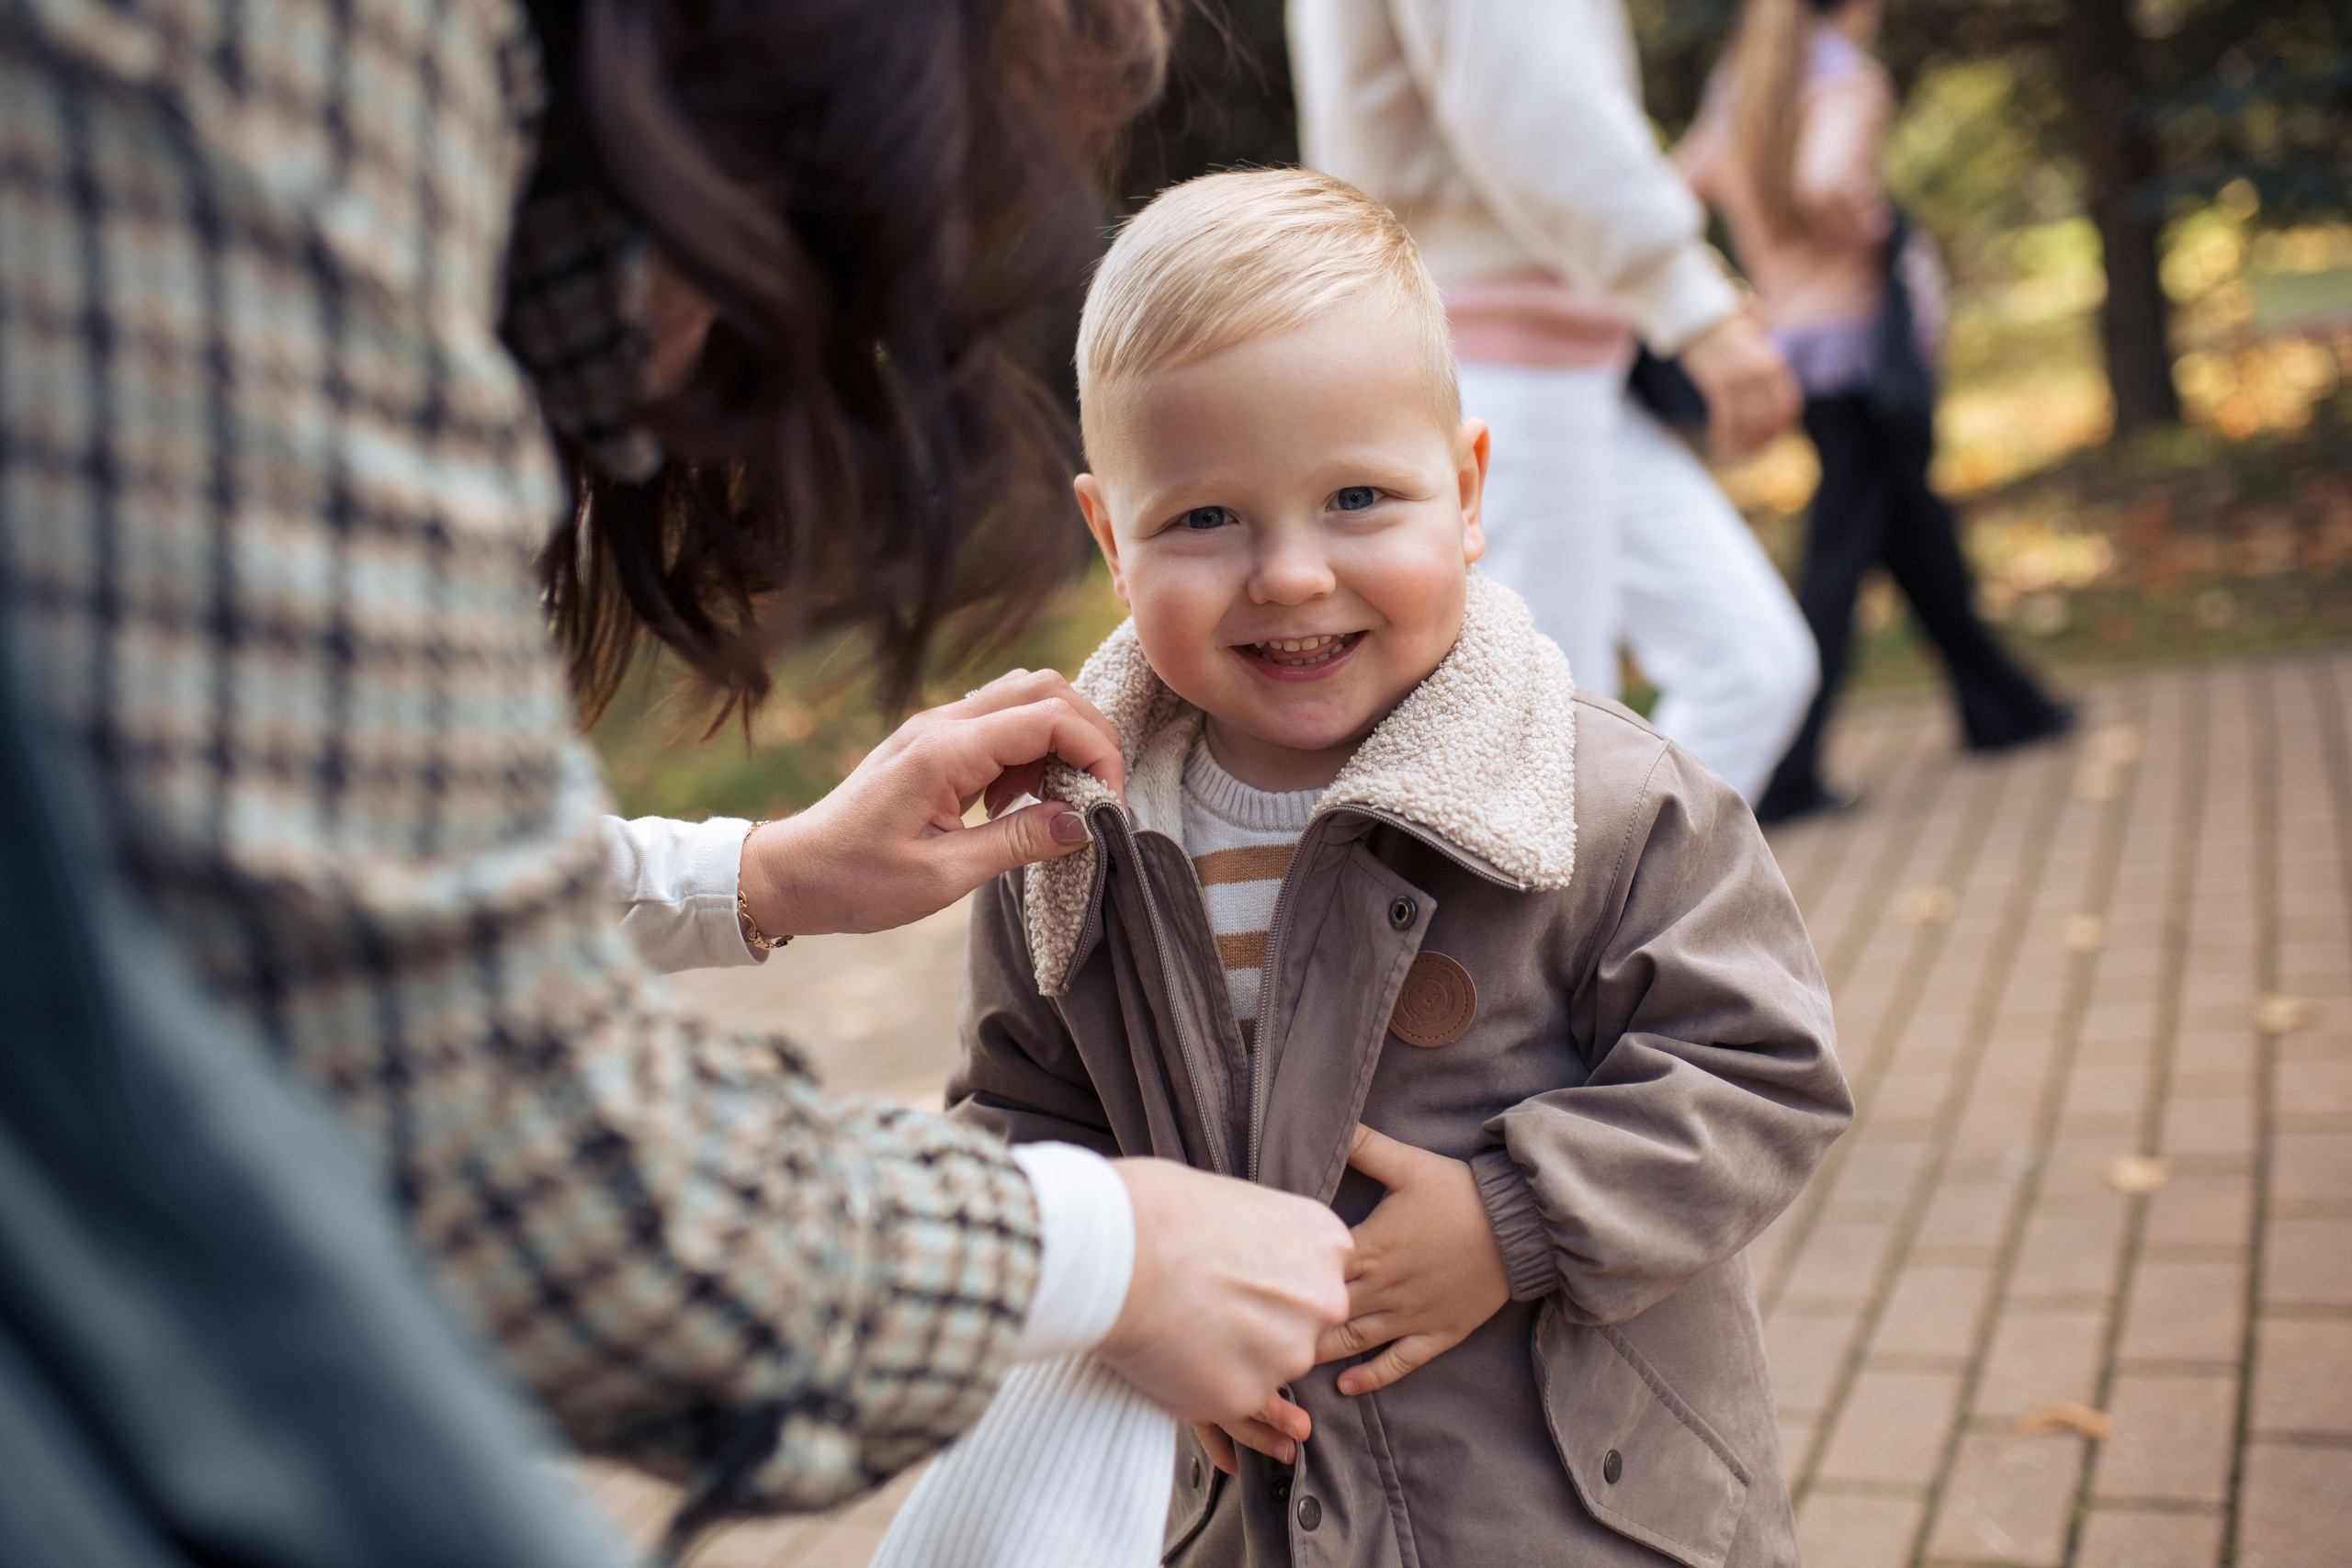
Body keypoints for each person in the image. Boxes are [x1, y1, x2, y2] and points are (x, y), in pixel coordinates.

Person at [0, 0, 1351, 1530]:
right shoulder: (286, 64)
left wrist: (756, 875)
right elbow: (486, 1137)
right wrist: (1109, 1252)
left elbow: (269, 838)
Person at [885, 170, 1852, 1568]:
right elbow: (1025, 1121)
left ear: (1463, 492)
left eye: (1356, 497)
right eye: (1204, 519)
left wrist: (1514, 1215)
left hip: (1574, 1508)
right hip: (1258, 1514)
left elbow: (1760, 1068)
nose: (1287, 574)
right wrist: (1126, 1302)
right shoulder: (1065, 842)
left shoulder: (1607, 799)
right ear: (1110, 536)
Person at [1287, 0, 1819, 803]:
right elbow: (1532, 100)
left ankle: (1625, 915)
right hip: (1489, 356)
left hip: (1555, 358)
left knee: (1749, 664)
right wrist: (1689, 299)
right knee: (1545, 748)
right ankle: (1543, 925)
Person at [1679, 0, 2075, 823]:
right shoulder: (1845, 81)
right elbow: (1829, 181)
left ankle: (2003, 706)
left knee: (1912, 527)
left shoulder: (1745, 85)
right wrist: (1875, 227)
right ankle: (1785, 770)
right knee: (1842, 552)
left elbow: (1681, 185)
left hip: (1798, 341)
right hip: (1861, 351)